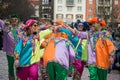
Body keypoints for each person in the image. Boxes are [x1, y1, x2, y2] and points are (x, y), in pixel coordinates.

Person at [0, 14, 20, 80]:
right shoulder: (6, 27)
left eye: (15, 19)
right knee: (10, 66)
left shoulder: (20, 28)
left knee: (19, 67)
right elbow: (1, 22)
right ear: (10, 20)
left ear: (17, 20)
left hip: (18, 52)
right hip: (10, 51)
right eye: (12, 19)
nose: (14, 21)